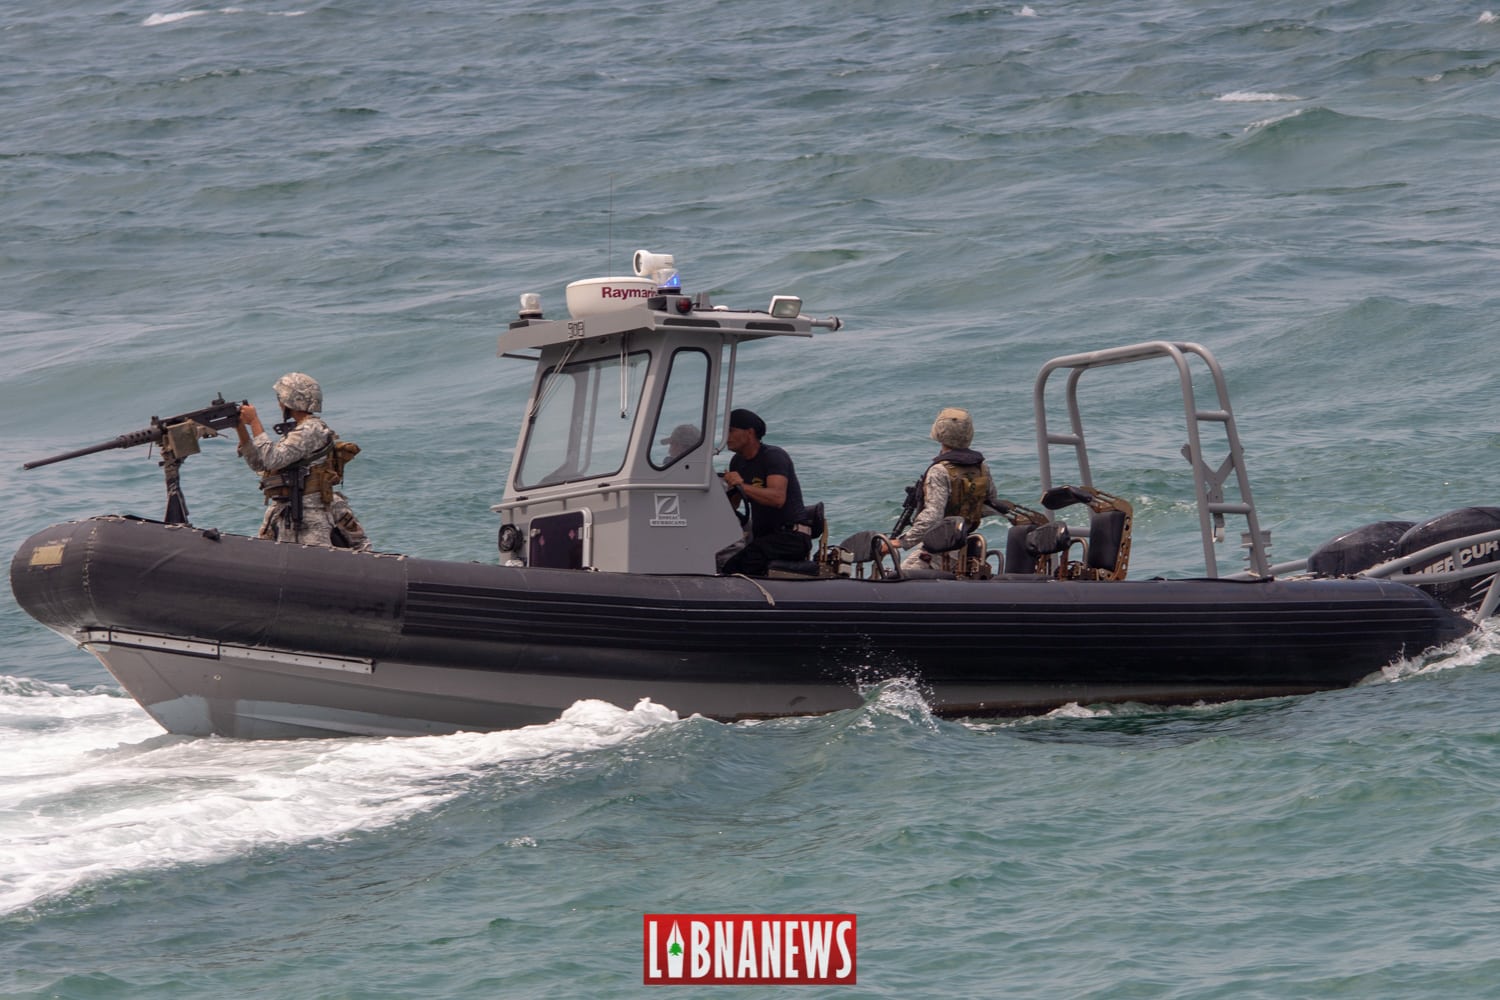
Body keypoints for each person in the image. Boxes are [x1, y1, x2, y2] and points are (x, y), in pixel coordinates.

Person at [235, 372, 371, 551]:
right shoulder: (297, 432)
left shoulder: (311, 429)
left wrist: (254, 422)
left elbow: (273, 459)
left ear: (289, 401)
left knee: (316, 563)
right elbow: (260, 464)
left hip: (309, 514)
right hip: (287, 512)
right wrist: (240, 429)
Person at [889, 407, 1000, 571]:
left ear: (940, 432)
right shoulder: (981, 467)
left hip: (940, 549)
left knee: (901, 578)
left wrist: (902, 541)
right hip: (966, 546)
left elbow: (932, 516)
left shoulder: (939, 470)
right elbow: (989, 504)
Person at [719, 408, 810, 576]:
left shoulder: (773, 456)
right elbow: (735, 503)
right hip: (764, 538)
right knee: (728, 563)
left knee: (744, 563)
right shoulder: (737, 462)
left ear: (749, 433)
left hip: (790, 537)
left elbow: (777, 498)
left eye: (731, 431)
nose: (726, 437)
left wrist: (742, 485)